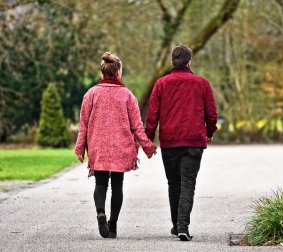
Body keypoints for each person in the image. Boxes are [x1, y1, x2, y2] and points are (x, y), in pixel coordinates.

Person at [75, 52, 156, 239]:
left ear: (102, 72)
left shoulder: (91, 94)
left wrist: (80, 148)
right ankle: (113, 225)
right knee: (117, 186)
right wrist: (147, 146)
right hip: (122, 148)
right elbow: (137, 126)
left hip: (98, 146)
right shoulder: (127, 95)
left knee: (100, 183)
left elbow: (84, 125)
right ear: (118, 72)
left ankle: (100, 213)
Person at [145, 45, 218, 241]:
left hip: (170, 142)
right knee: (188, 184)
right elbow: (212, 114)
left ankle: (177, 225)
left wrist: (148, 140)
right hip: (194, 141)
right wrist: (209, 132)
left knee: (174, 184)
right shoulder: (201, 83)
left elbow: (152, 115)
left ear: (172, 62)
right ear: (189, 62)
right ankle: (183, 226)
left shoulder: (161, 84)